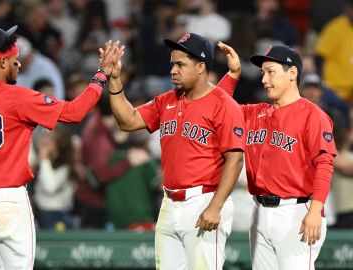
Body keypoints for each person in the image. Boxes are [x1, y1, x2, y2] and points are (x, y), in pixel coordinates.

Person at [0, 25, 123, 269]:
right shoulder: (16, 97)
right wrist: (101, 75)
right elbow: (74, 112)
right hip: (7, 198)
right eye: (15, 61)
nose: (19, 65)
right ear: (2, 62)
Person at [106, 33, 246, 269]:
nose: (173, 70)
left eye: (180, 64)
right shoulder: (167, 100)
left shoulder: (224, 104)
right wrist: (114, 80)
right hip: (169, 203)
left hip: (203, 201)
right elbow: (127, 121)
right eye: (172, 64)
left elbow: (235, 160)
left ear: (201, 67)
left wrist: (215, 206)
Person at [217, 43, 337, 269]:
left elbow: (324, 163)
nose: (264, 79)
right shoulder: (254, 113)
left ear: (292, 73)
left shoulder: (313, 115)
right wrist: (233, 75)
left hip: (296, 211)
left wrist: (314, 210)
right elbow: (215, 108)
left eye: (271, 71)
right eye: (263, 73)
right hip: (259, 210)